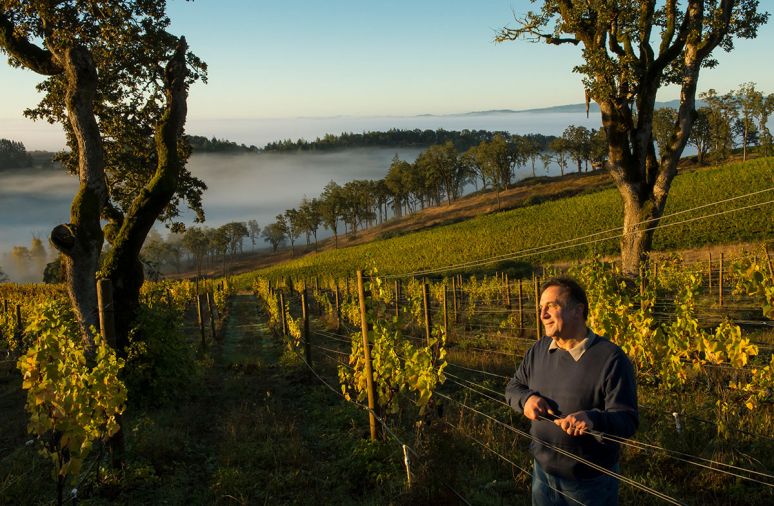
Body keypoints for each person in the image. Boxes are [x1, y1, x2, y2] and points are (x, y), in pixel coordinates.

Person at [506, 277, 638, 505]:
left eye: (552, 306)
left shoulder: (611, 358)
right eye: (541, 308)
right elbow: (513, 387)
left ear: (578, 311)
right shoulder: (539, 350)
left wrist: (592, 419)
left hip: (589, 484)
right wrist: (526, 399)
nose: (542, 315)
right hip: (542, 474)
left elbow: (627, 420)